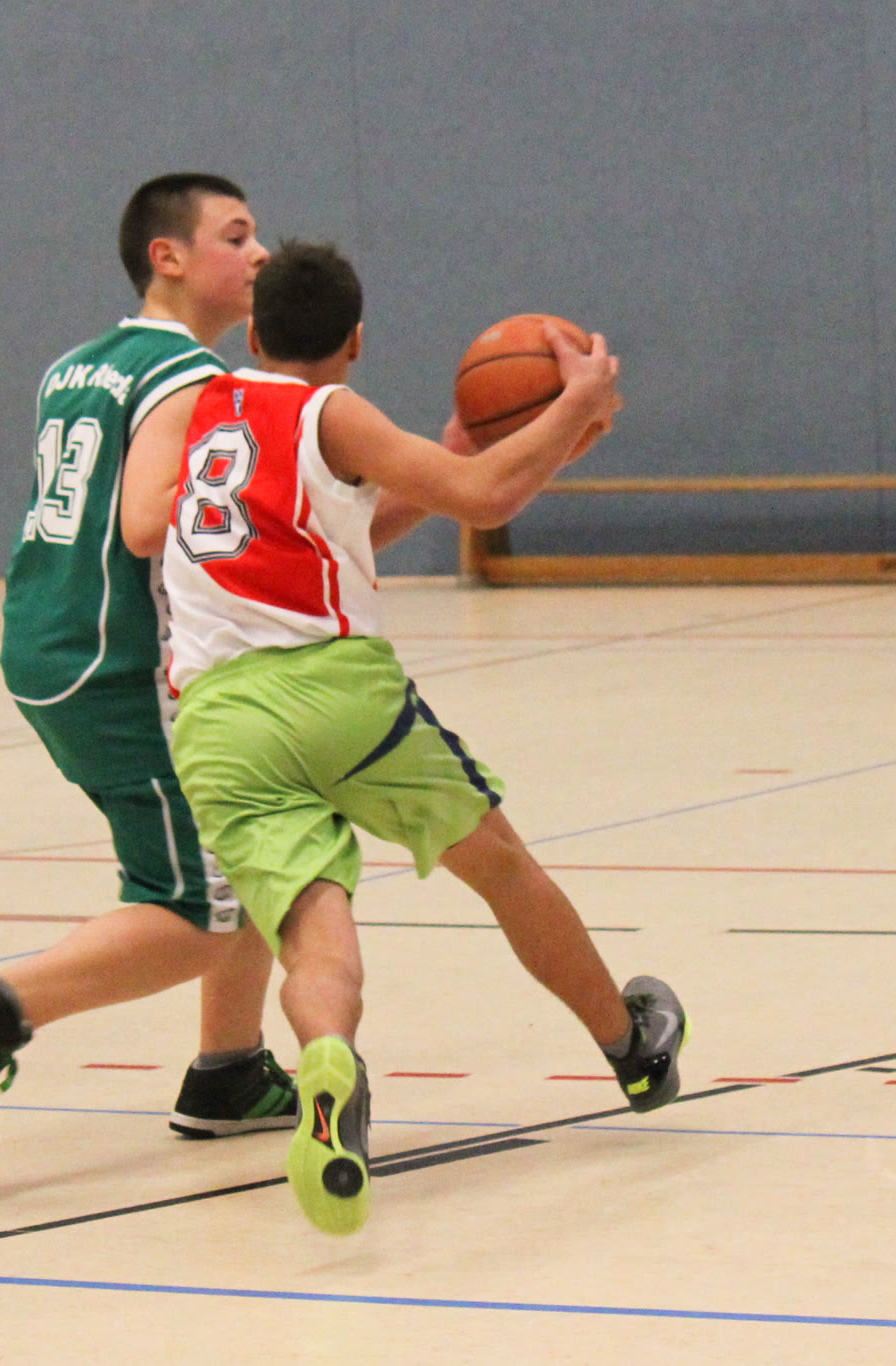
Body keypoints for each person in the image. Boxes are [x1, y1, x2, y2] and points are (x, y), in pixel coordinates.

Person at [154, 239, 681, 1235]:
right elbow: (483, 500)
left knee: (311, 928)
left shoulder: (202, 406)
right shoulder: (334, 412)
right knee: (501, 865)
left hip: (217, 719)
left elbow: (357, 520)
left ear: (254, 333)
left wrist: (481, 447)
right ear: (355, 341)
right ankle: (631, 1049)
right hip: (333, 692)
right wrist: (573, 402)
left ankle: (326, 1061)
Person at [0, 173, 294, 1174]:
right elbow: (145, 520)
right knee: (192, 911)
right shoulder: (187, 375)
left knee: (253, 827)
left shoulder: (76, 364)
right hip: (121, 658)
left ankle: (229, 1071)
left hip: (45, 632)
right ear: (168, 257)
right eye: (235, 235)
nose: (259, 253)